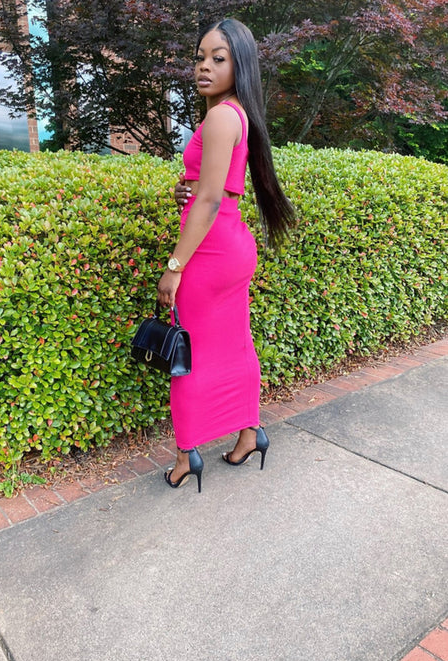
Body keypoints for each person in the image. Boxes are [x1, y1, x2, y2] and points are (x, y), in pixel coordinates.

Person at [157, 18, 295, 493]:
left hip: (211, 253)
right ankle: (249, 435)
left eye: (218, 58)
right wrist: (187, 190)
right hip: (232, 246)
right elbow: (215, 189)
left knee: (189, 355)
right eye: (200, 57)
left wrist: (174, 267)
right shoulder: (235, 114)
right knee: (235, 345)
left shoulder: (220, 117)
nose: (204, 66)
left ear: (241, 66)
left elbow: (212, 199)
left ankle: (186, 455)